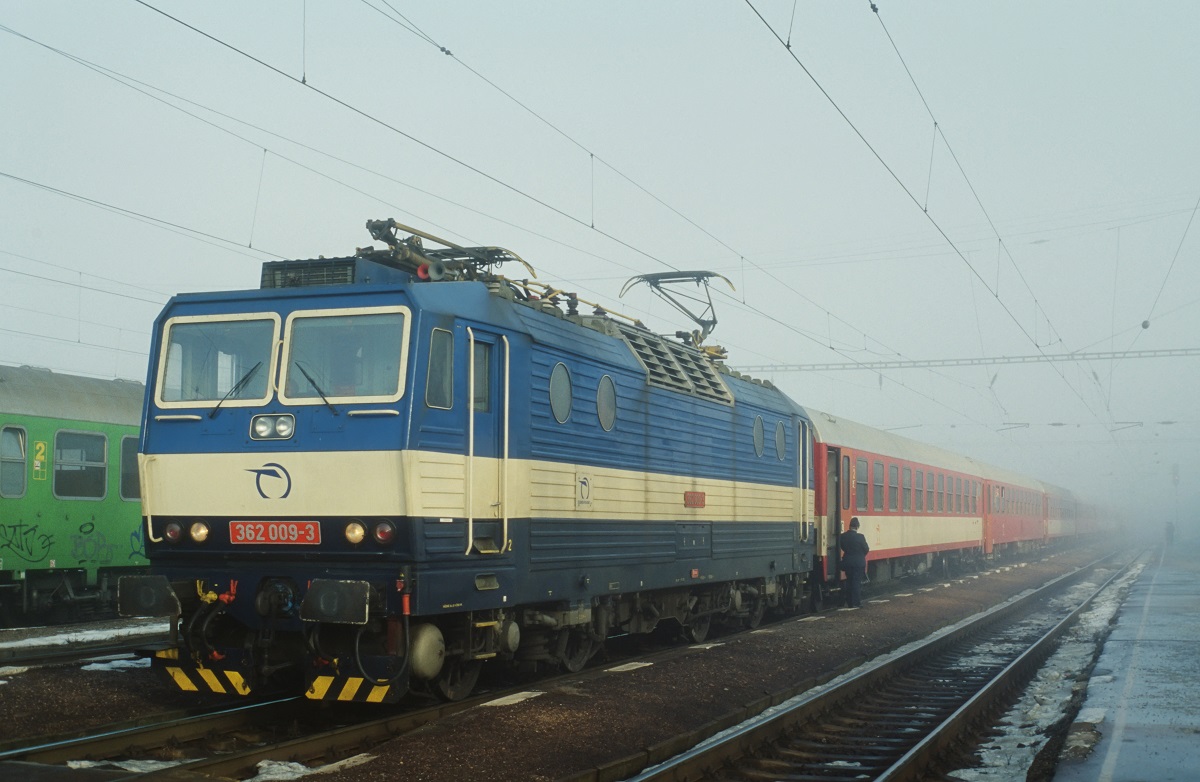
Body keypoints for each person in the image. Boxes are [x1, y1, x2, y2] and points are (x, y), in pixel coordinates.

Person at [839, 517, 870, 608]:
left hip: (848, 562)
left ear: (850, 526)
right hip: (858, 563)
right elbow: (866, 549)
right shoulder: (860, 537)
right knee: (856, 582)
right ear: (857, 527)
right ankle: (856, 602)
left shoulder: (843, 536)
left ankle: (849, 603)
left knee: (849, 581)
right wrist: (860, 555)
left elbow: (842, 547)